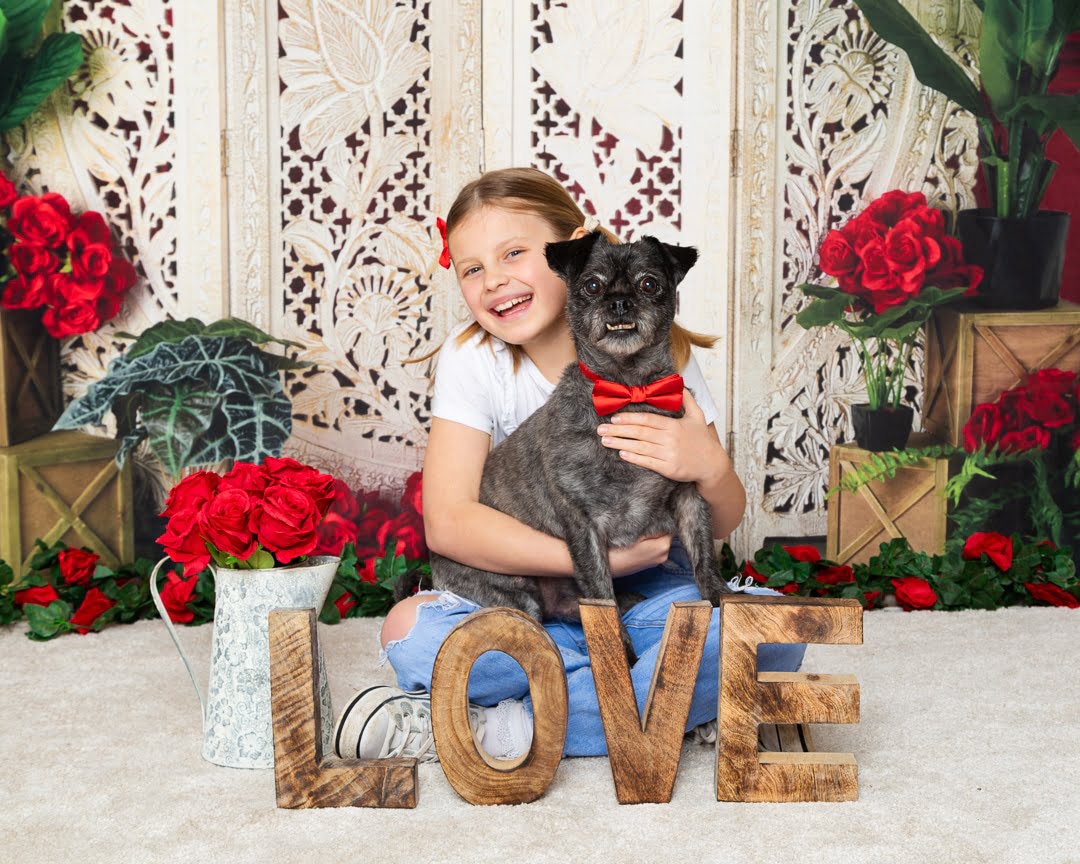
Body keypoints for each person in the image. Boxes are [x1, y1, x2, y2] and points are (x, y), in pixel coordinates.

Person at [333, 167, 804, 762]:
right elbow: (448, 524)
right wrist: (597, 561)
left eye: (513, 253)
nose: (495, 281)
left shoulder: (665, 357)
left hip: (647, 593)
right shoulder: (474, 360)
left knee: (775, 635)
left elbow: (721, 521)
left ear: (573, 251)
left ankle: (496, 727)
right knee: (409, 631)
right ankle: (660, 703)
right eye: (472, 268)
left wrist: (709, 465)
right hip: (529, 592)